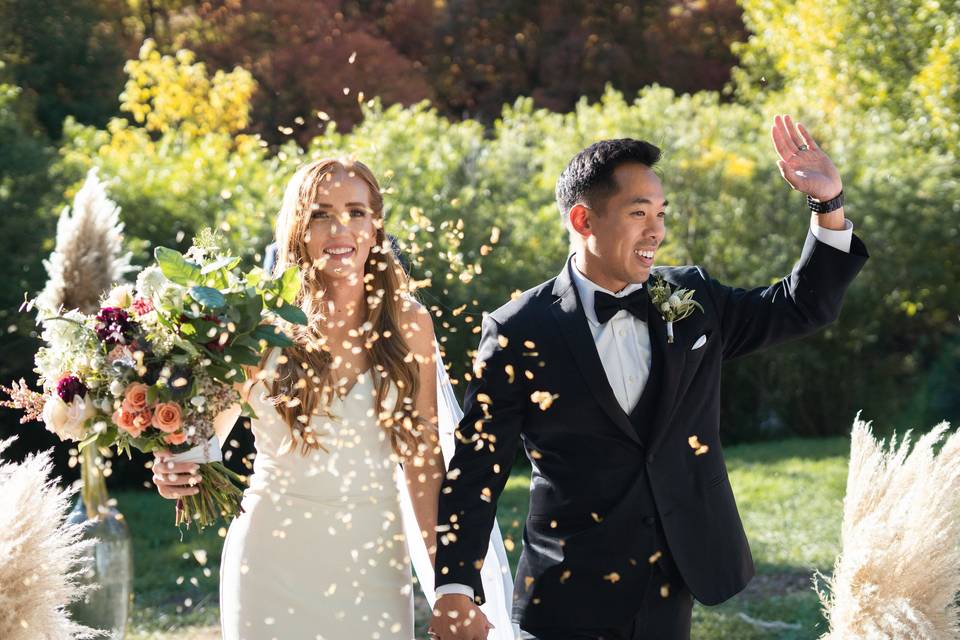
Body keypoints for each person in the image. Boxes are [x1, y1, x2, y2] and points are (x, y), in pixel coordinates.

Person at [429, 116, 869, 640]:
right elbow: (479, 465)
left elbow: (801, 307)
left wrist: (828, 205)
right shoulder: (519, 328)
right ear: (584, 220)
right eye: (639, 213)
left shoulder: (693, 298)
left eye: (660, 214)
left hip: (674, 580)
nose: (656, 230)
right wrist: (455, 586)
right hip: (566, 594)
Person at [152, 158, 514, 639]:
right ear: (298, 228)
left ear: (376, 226)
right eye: (321, 214)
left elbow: (423, 464)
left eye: (357, 212)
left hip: (373, 559)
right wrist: (176, 465)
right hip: (268, 559)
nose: (340, 228)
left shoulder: (408, 323)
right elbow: (204, 437)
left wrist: (452, 586)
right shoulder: (258, 325)